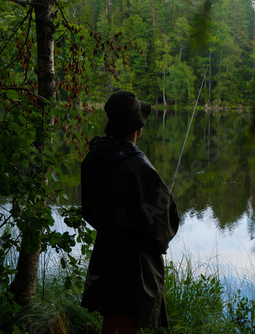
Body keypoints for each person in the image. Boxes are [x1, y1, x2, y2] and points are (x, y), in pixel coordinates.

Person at [80, 91, 180, 334]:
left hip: (106, 248)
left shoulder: (93, 158)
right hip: (136, 257)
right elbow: (162, 222)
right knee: (132, 320)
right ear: (137, 125)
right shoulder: (140, 167)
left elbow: (89, 210)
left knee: (111, 314)